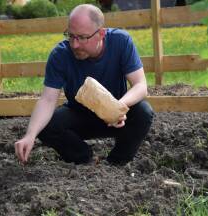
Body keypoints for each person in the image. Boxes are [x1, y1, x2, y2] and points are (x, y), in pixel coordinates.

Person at [14, 4, 154, 165]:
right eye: (71, 36)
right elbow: (47, 99)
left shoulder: (121, 42)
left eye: (82, 37)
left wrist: (118, 107)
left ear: (101, 33)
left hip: (116, 117)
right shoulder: (60, 55)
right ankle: (84, 159)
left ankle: (116, 163)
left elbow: (140, 85)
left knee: (143, 112)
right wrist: (30, 135)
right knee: (44, 125)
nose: (74, 44)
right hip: (80, 116)